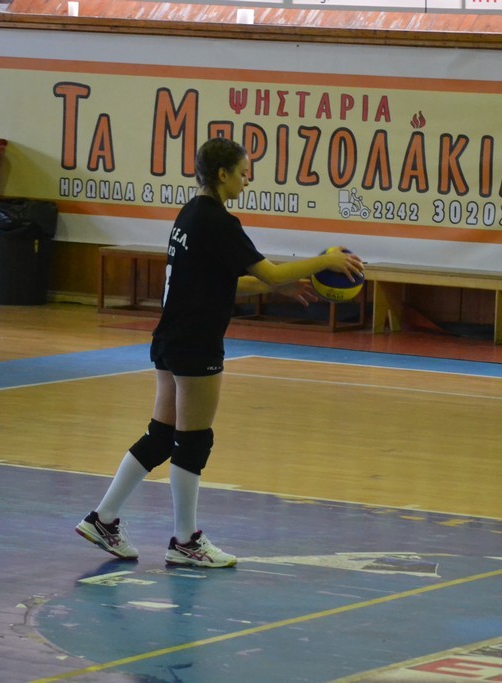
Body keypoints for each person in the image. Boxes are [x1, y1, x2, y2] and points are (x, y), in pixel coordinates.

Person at [76, 137, 364, 568]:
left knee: (161, 436)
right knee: (194, 440)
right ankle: (185, 541)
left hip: (170, 337)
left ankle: (103, 518)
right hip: (196, 342)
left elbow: (222, 282)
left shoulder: (191, 213)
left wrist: (278, 288)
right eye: (244, 173)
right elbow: (270, 271)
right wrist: (324, 262)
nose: (248, 180)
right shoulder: (219, 222)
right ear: (223, 174)